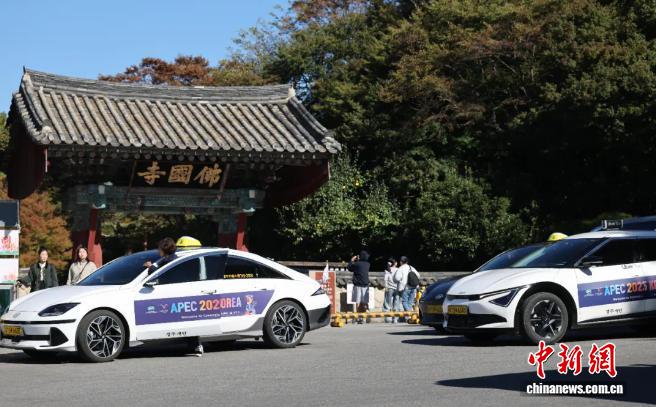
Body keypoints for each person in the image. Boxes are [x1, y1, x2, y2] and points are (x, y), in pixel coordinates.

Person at [347, 250, 371, 323]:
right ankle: (367, 314)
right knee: (365, 301)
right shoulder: (368, 264)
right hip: (366, 285)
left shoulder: (357, 264)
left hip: (358, 285)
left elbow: (349, 268)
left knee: (358, 301)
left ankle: (359, 317)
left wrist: (352, 260)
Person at [383, 257, 400, 323]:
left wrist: (386, 287)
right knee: (396, 304)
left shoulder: (387, 270)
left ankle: (388, 318)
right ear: (395, 263)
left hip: (389, 288)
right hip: (397, 288)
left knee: (387, 304)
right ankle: (395, 319)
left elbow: (385, 279)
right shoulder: (398, 270)